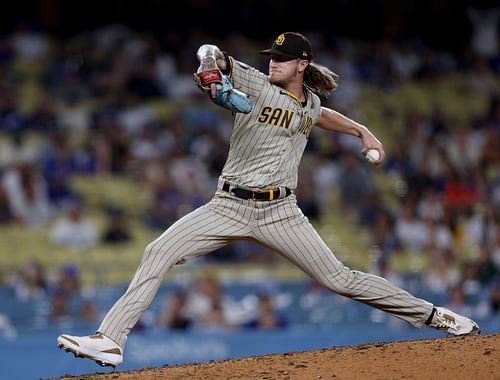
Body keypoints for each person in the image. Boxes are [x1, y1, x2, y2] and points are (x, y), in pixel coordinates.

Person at [57, 32, 480, 368]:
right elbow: (214, 55)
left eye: (281, 58)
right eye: (271, 56)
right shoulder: (256, 83)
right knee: (158, 250)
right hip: (227, 206)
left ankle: (434, 316)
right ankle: (111, 340)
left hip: (281, 211)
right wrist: (209, 66)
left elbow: (319, 113)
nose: (272, 62)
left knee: (341, 279)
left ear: (302, 64)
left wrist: (360, 130)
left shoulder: (309, 101)